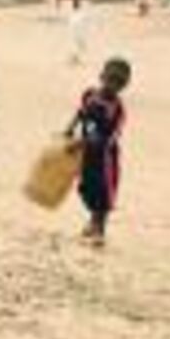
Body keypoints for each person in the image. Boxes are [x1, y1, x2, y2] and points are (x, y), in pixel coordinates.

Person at [64, 58, 131, 248]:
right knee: (87, 188)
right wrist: (69, 129)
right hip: (86, 154)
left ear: (125, 86)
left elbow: (107, 139)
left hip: (105, 160)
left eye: (119, 83)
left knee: (103, 194)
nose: (112, 86)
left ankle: (99, 228)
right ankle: (93, 221)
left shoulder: (118, 110)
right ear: (101, 76)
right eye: (110, 79)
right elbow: (80, 112)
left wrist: (81, 143)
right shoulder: (90, 94)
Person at [66, 0, 92, 66]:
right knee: (81, 47)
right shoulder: (81, 14)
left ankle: (75, 59)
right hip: (80, 33)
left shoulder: (72, 15)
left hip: (75, 33)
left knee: (77, 46)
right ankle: (78, 60)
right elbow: (87, 20)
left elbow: (71, 25)